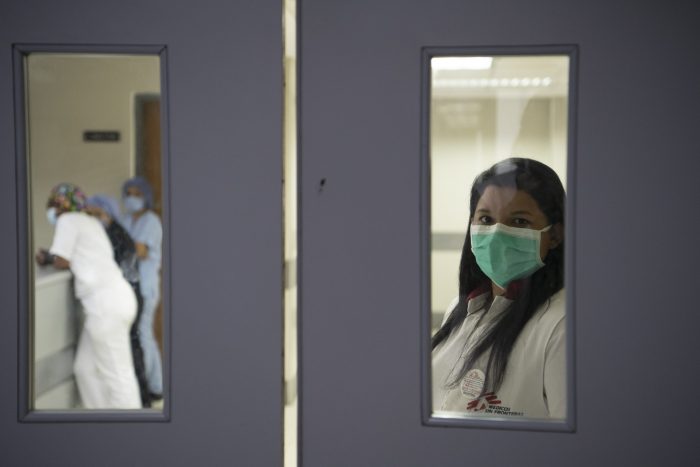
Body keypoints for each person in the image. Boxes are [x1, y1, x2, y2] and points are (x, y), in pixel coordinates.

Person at [431, 157, 566, 419]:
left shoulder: (561, 325)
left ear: (555, 235)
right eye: (485, 219)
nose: (496, 233)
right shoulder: (459, 309)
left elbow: (576, 444)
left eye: (518, 221)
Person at [35, 183, 141, 409]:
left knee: (119, 377)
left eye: (54, 205)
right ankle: (102, 421)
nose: (52, 211)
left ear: (61, 205)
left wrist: (46, 258)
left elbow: (62, 260)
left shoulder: (68, 220)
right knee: (85, 370)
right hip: (115, 300)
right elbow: (79, 258)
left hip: (106, 306)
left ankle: (133, 432)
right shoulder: (91, 222)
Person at [85, 194, 152, 408]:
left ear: (106, 213)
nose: (91, 218)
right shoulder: (115, 232)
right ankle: (142, 400)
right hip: (130, 295)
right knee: (132, 347)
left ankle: (141, 401)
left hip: (126, 296)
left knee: (131, 349)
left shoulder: (114, 235)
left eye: (95, 213)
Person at [121, 176, 163, 400]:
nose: (132, 198)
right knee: (140, 336)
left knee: (143, 335)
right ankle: (156, 385)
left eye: (138, 194)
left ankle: (145, 385)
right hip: (129, 288)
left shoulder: (151, 221)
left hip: (145, 287)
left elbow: (141, 250)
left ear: (146, 197)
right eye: (129, 193)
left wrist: (116, 238)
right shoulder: (127, 220)